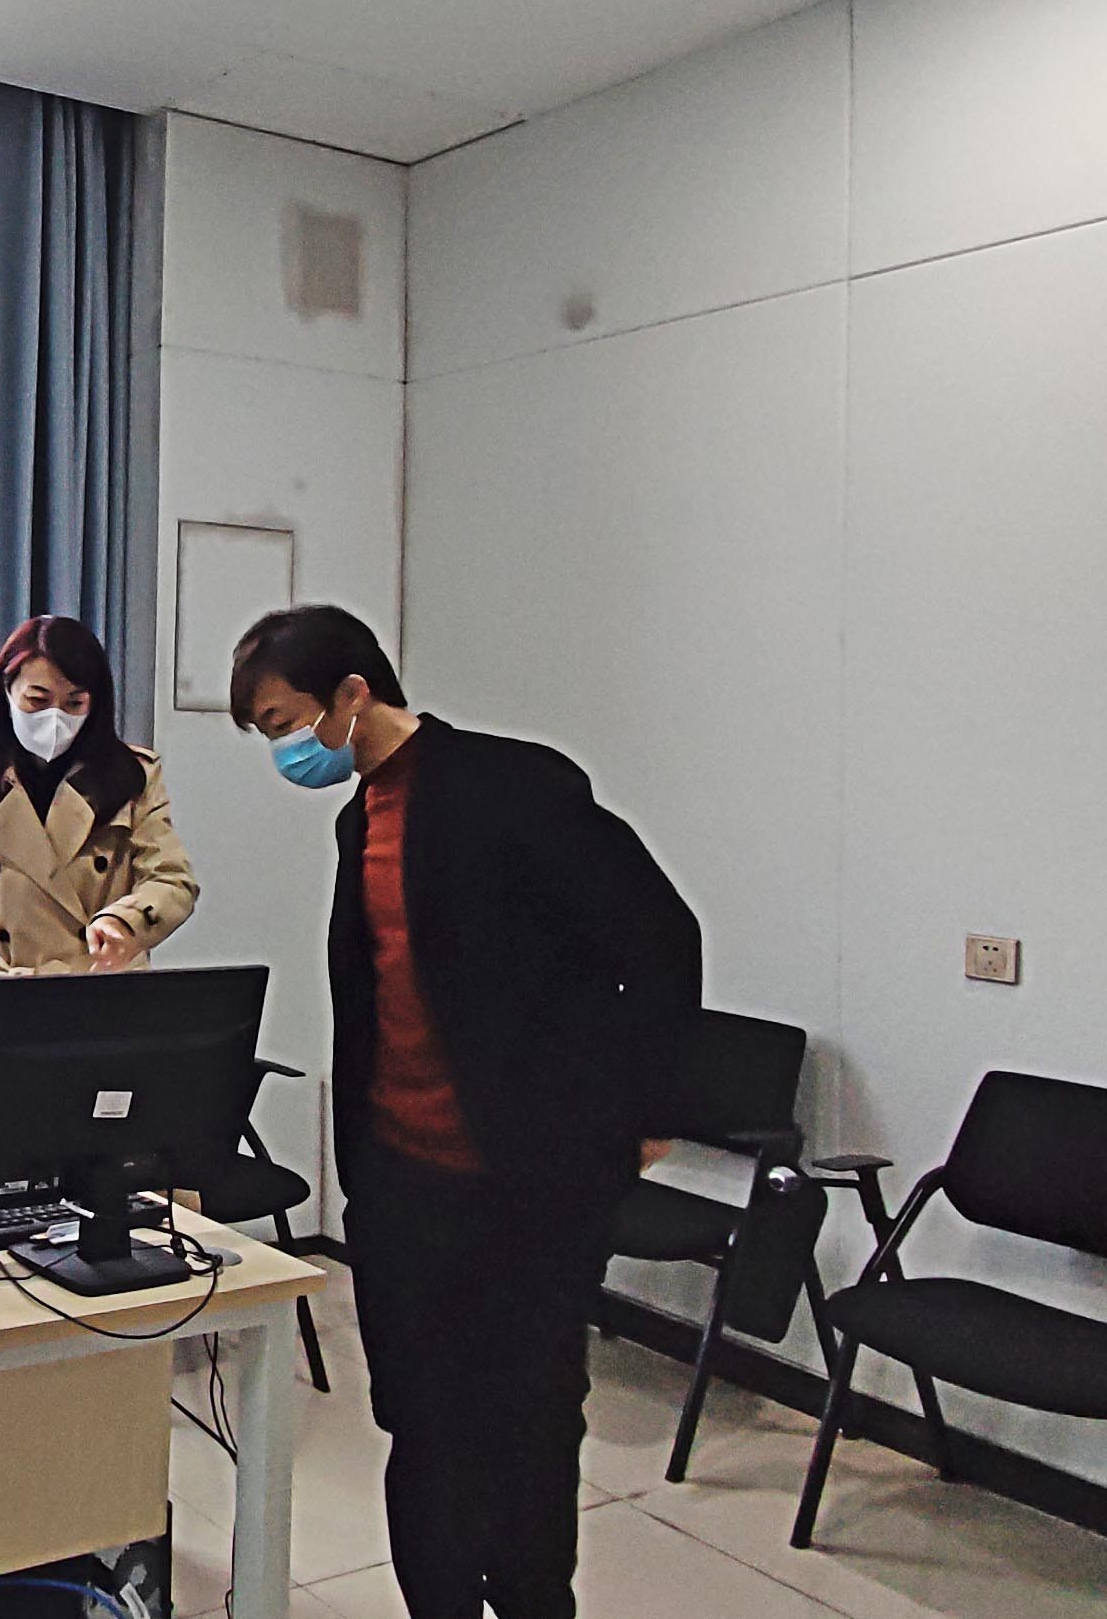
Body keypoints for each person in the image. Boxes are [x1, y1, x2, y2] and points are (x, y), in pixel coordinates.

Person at [231, 605, 698, 1619]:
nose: (283, 750)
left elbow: (660, 936)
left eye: (284, 723)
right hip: (404, 1183)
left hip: (529, 1179)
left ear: (352, 693)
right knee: (421, 1422)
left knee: (530, 1421)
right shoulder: (358, 818)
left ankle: (532, 1601)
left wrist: (649, 1104)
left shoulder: (512, 783)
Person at [0, 614, 196, 1104]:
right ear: (7, 694)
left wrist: (125, 922)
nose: (55, 719)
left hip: (109, 1010)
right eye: (37, 701)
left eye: (74, 703)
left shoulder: (133, 776)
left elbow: (173, 880)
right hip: (13, 1017)